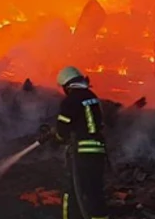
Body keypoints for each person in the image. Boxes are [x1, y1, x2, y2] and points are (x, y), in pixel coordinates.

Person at [38, 66, 109, 219]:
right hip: (98, 152)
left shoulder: (70, 101)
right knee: (95, 192)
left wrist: (56, 137)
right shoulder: (92, 97)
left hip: (82, 153)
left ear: (66, 85)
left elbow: (62, 132)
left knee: (71, 192)